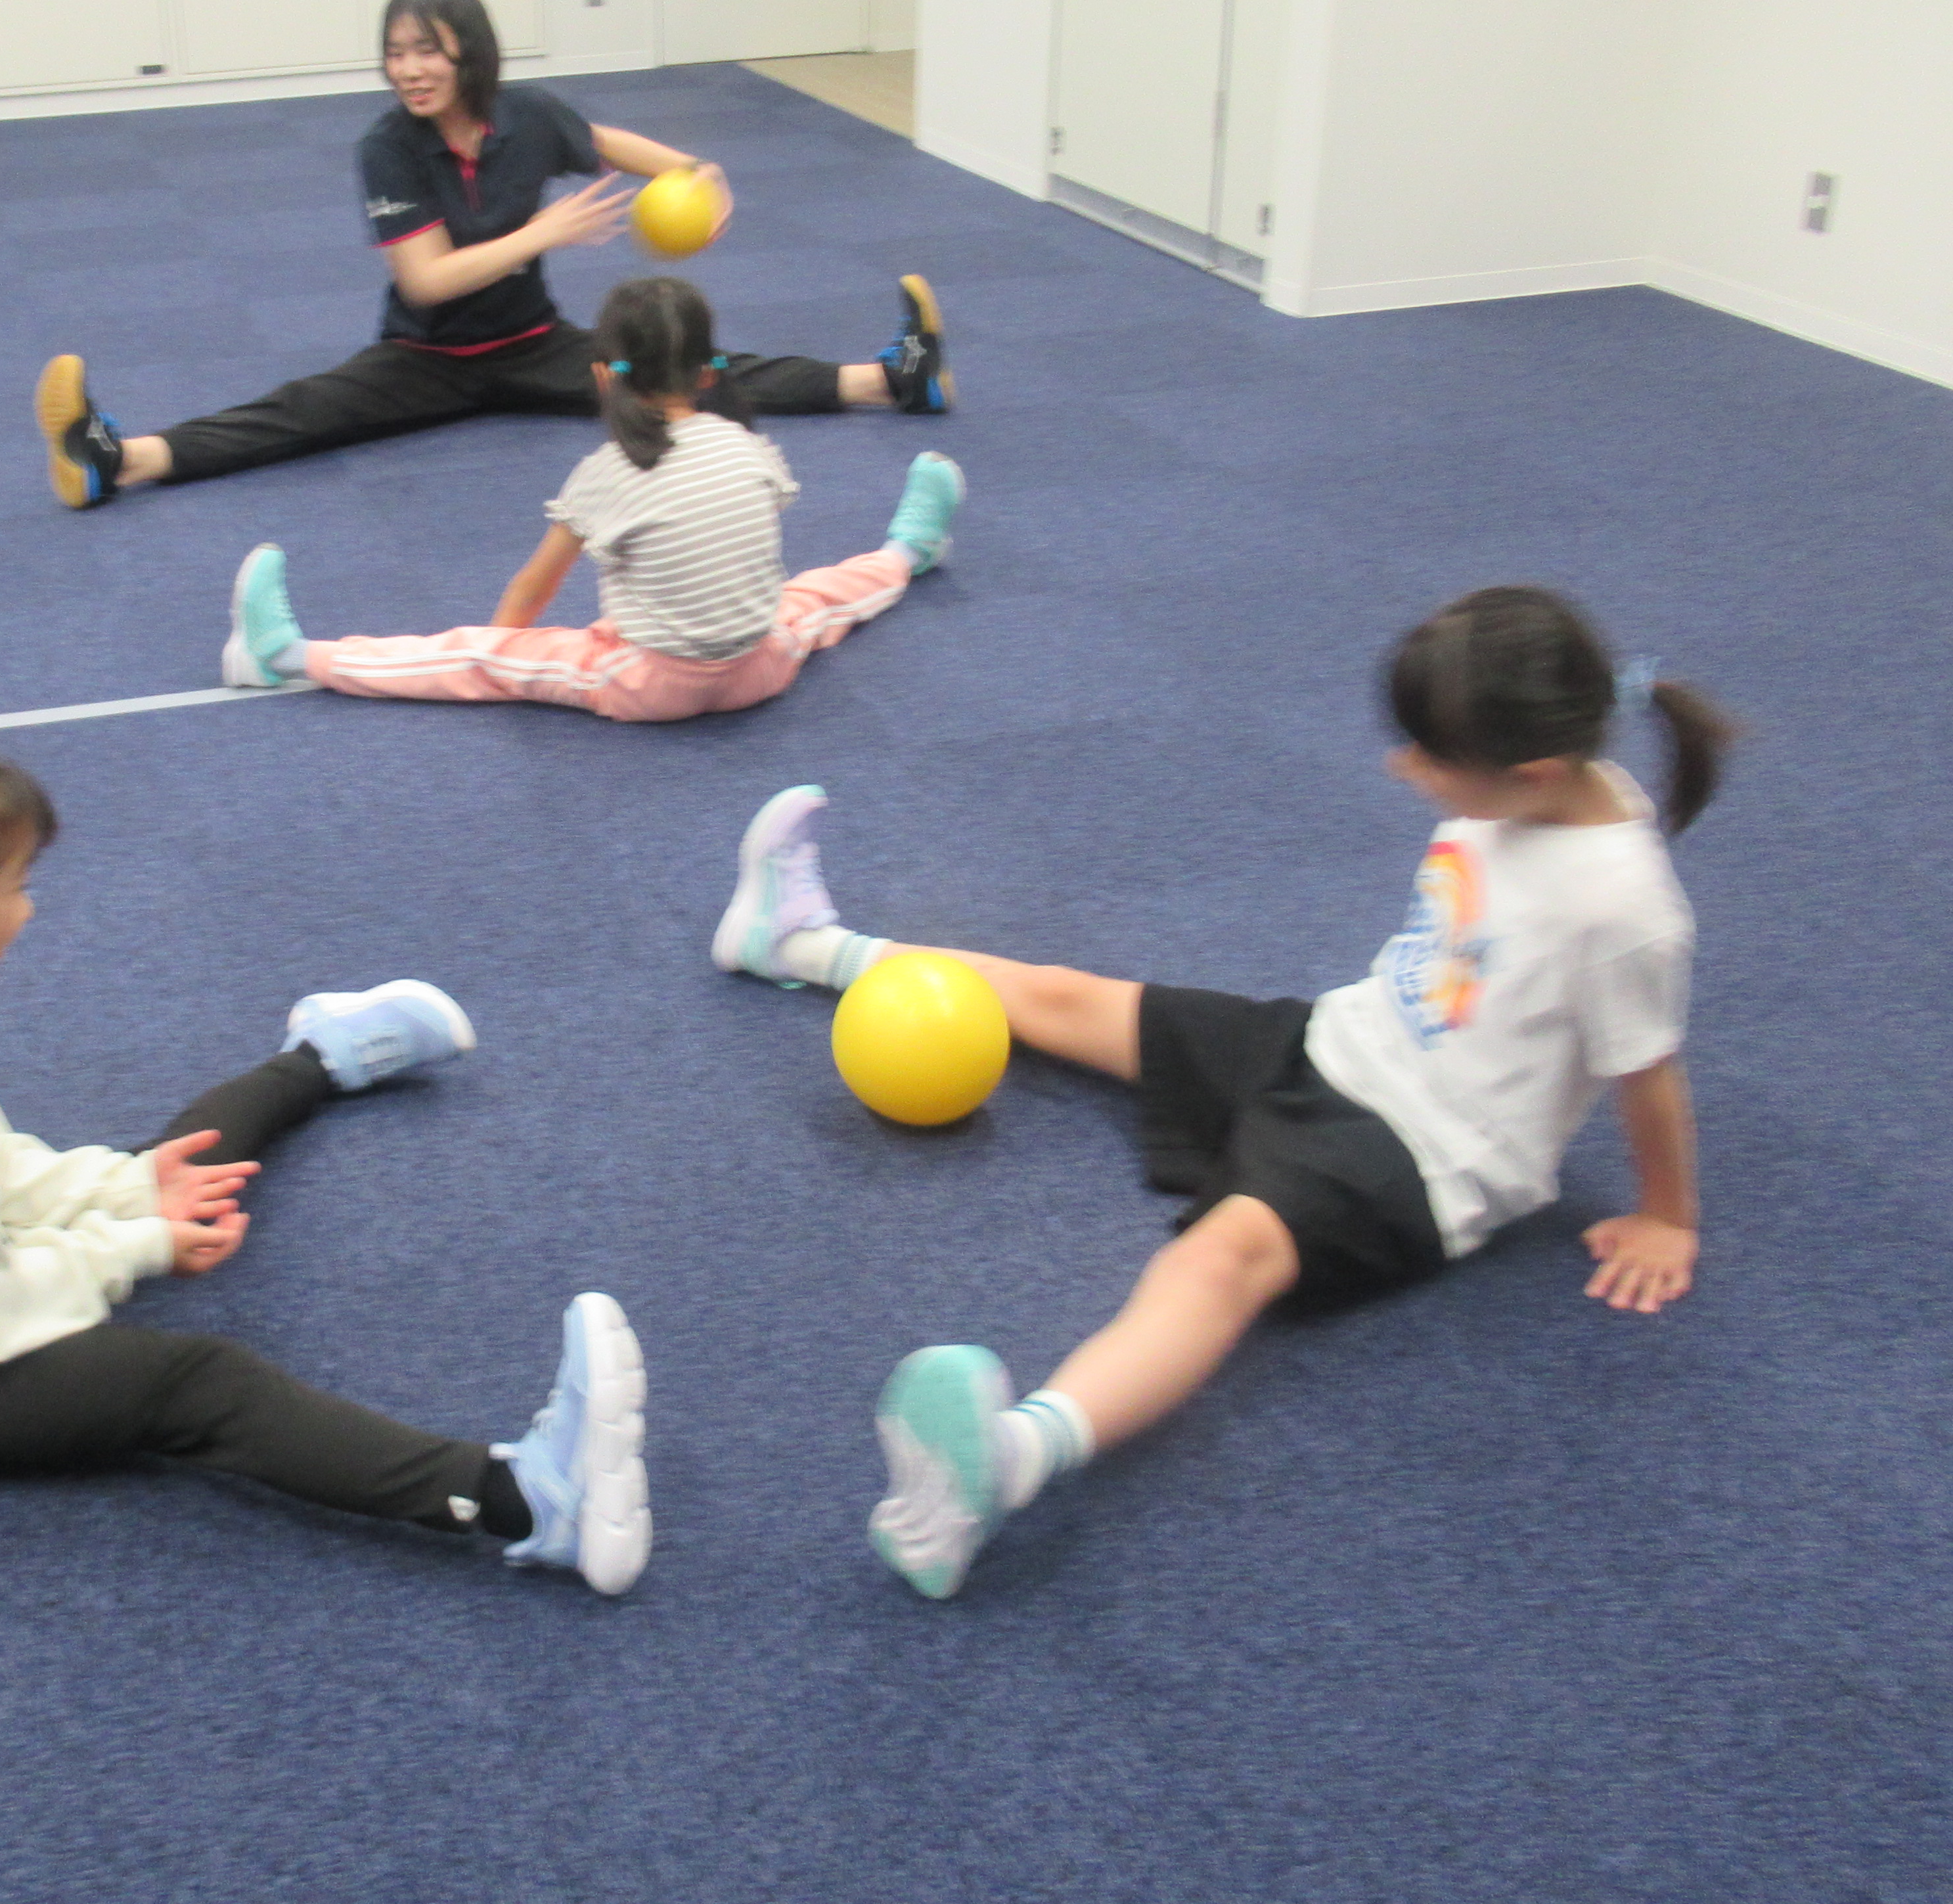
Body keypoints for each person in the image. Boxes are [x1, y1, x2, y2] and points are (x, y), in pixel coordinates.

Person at [708, 586, 1735, 1599]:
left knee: (1220, 1260)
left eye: (1429, 758)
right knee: (1067, 997)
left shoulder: (1623, 911)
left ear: (1533, 773)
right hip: (1334, 1041)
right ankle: (797, 943)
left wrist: (1667, 1217)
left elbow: (1648, 1074)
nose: (1403, 768)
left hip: (1424, 1154)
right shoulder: (1528, 787)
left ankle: (1006, 1464)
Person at [0, 729, 652, 1593]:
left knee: (169, 1166)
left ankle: (320, 1056)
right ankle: (530, 1501)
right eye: (10, 886)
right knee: (194, 1385)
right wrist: (140, 1244)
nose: (27, 910)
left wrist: (131, 1192)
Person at [31, 0, 949, 507]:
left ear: (467, 51)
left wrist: (695, 170)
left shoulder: (526, 116)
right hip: (425, 357)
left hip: (537, 347)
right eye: (397, 53)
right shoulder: (388, 148)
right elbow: (427, 282)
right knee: (303, 412)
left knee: (688, 374)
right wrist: (543, 231)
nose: (409, 70)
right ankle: (116, 458)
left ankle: (891, 379)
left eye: (427, 50)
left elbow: (603, 143)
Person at [217, 275, 964, 723]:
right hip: (761, 671)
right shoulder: (749, 446)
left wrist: (500, 652)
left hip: (650, 685)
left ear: (603, 377)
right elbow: (741, 553)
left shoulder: (607, 470)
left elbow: (534, 587)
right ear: (711, 373)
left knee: (471, 656)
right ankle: (908, 551)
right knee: (818, 599)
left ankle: (287, 657)